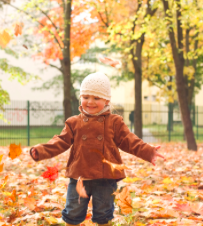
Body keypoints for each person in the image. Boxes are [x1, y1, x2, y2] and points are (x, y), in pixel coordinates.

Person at [29, 72, 165, 226]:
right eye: (86, 97)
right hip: (79, 177)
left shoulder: (114, 122)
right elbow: (61, 141)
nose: (90, 102)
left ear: (106, 100)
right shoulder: (74, 122)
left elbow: (129, 140)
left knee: (103, 214)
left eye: (96, 98)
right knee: (72, 212)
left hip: (105, 178)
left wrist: (148, 151)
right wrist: (41, 150)